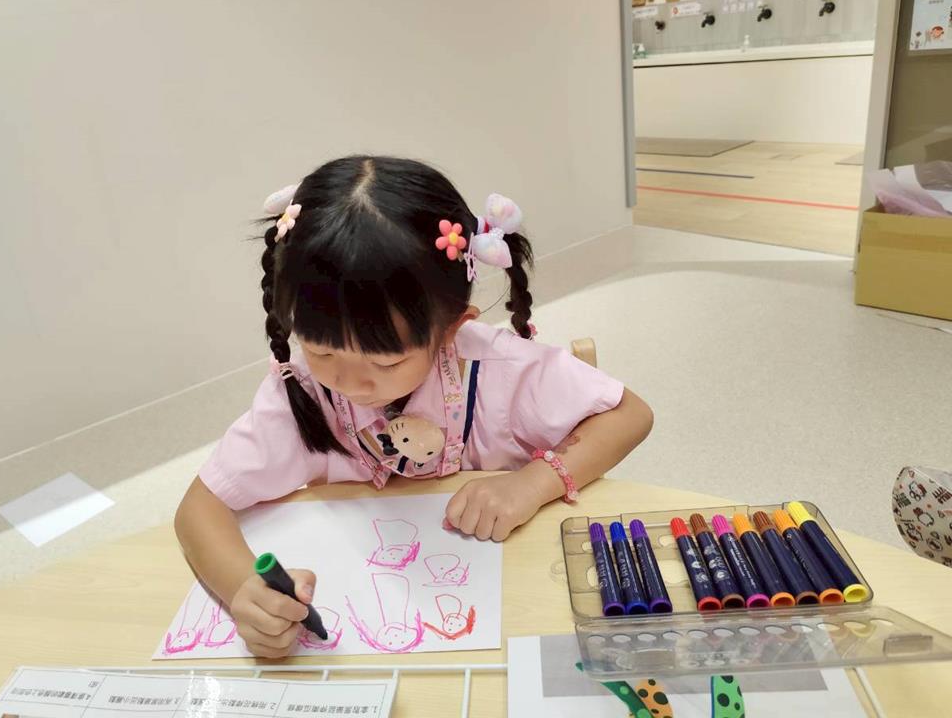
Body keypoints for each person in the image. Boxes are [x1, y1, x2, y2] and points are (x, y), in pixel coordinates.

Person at [174, 155, 653, 658]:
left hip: (515, 608)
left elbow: (631, 415)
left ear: (451, 328)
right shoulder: (302, 392)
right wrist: (245, 590)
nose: (350, 383)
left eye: (385, 362)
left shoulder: (501, 369)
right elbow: (200, 509)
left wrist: (531, 484)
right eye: (321, 351)